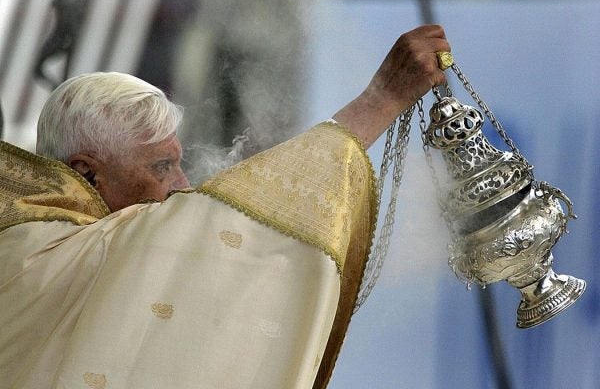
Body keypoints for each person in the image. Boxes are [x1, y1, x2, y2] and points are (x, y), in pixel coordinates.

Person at [0, 25, 450, 388]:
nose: (182, 188)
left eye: (178, 164)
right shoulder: (39, 252)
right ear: (88, 174)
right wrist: (379, 102)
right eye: (160, 168)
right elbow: (215, 229)